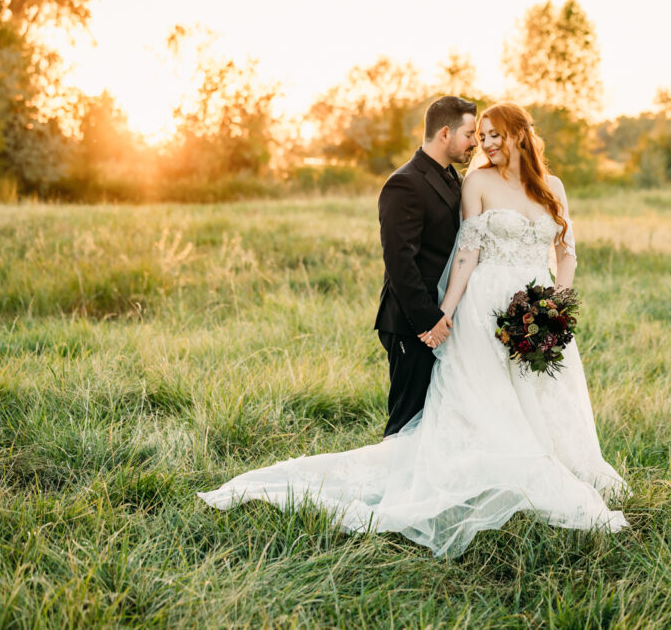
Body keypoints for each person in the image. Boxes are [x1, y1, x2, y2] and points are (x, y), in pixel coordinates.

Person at [197, 102, 630, 559]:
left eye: (492, 135)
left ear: (520, 134)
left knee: (541, 391)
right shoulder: (476, 182)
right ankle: (504, 472)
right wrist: (443, 314)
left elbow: (566, 251)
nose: (483, 145)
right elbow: (466, 254)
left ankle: (558, 463)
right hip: (486, 308)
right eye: (479, 136)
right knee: (488, 401)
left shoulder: (552, 187)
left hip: (540, 306)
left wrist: (555, 306)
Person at [374, 96, 478, 437]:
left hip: (441, 319)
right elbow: (399, 262)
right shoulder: (405, 183)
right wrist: (428, 321)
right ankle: (391, 486)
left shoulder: (452, 178)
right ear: (445, 134)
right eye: (470, 134)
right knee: (406, 421)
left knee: (433, 423)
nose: (475, 143)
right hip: (412, 323)